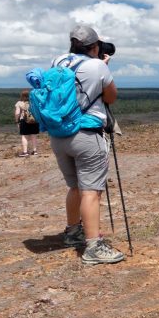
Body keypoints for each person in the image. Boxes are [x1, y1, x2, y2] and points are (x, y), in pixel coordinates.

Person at [50, 24, 125, 265]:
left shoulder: (59, 60)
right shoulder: (97, 66)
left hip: (59, 134)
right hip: (87, 134)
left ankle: (73, 232)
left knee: (74, 187)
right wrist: (103, 66)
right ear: (94, 46)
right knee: (91, 191)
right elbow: (110, 97)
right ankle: (93, 247)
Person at [14, 89, 40, 157]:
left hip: (24, 121)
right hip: (34, 120)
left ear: (22, 95)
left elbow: (17, 113)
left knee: (24, 136)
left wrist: (17, 121)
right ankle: (35, 151)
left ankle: (25, 152)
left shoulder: (19, 103)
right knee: (34, 135)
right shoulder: (34, 102)